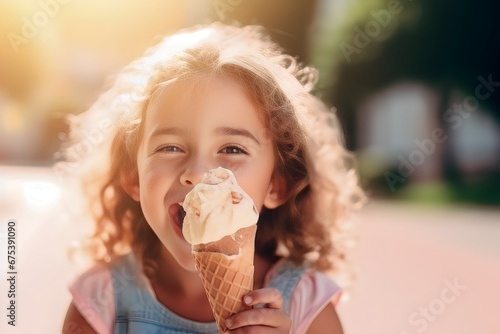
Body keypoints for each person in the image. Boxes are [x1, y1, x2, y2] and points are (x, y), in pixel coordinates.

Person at [61, 23, 365, 334]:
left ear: (277, 184)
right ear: (133, 177)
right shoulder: (102, 301)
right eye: (171, 147)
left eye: (232, 148)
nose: (197, 173)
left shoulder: (306, 307)